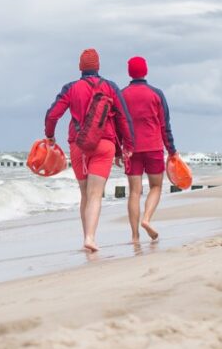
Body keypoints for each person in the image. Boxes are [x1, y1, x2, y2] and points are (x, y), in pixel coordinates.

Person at [44, 48, 134, 253]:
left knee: (84, 192)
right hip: (104, 145)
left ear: (80, 67)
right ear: (98, 66)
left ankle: (86, 237)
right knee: (95, 194)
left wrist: (50, 136)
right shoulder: (110, 87)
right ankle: (91, 237)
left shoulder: (71, 88)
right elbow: (123, 118)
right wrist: (128, 146)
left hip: (78, 145)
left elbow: (52, 115)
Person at [121, 56, 177, 243]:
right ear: (145, 71)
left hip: (131, 149)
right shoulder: (156, 93)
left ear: (130, 72)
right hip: (153, 147)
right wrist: (172, 150)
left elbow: (118, 125)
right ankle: (146, 219)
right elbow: (164, 125)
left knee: (134, 192)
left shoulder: (122, 95)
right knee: (156, 186)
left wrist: (118, 149)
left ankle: (135, 236)